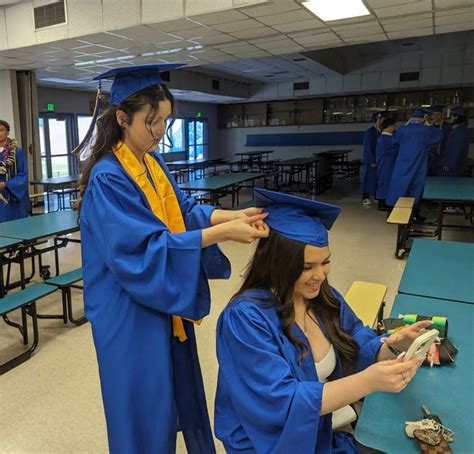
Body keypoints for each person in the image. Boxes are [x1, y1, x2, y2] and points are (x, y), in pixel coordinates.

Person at [76, 63, 270, 454]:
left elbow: (184, 210)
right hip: (127, 310)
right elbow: (145, 250)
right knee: (142, 406)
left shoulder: (151, 162)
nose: (160, 132)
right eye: (152, 122)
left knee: (173, 391)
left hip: (160, 301)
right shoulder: (109, 178)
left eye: (165, 121)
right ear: (122, 118)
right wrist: (221, 234)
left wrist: (232, 215)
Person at [215, 188, 432, 454]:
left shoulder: (323, 299)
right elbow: (281, 400)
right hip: (270, 443)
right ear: (277, 263)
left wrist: (391, 347)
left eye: (325, 262)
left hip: (321, 429)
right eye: (307, 267)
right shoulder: (246, 320)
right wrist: (367, 382)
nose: (320, 275)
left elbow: (356, 339)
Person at [385, 108, 442, 220]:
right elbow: (438, 137)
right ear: (424, 118)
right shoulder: (426, 130)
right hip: (418, 165)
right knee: (415, 190)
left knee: (398, 187)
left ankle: (392, 212)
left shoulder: (403, 130)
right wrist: (429, 125)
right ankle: (414, 215)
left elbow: (393, 141)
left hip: (402, 165)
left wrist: (406, 125)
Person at [0, 120, 29, 222]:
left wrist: (6, 184)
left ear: (7, 132)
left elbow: (23, 175)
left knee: (13, 226)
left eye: (1, 130)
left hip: (12, 195)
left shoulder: (16, 152)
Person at [361, 112, 385, 207]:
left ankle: (376, 195)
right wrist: (372, 160)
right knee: (368, 179)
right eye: (382, 120)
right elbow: (368, 147)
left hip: (379, 160)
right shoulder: (370, 132)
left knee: (377, 179)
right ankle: (365, 196)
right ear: (378, 120)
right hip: (370, 161)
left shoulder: (381, 132)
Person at [438, 106, 469, 176]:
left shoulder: (458, 132)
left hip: (452, 167)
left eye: (451, 116)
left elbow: (455, 149)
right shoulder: (462, 129)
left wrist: (448, 163)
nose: (450, 119)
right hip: (457, 164)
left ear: (456, 117)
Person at [375, 118, 398, 211]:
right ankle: (382, 203)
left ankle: (384, 201)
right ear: (389, 126)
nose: (395, 128)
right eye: (394, 126)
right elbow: (394, 149)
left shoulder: (386, 137)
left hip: (387, 164)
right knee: (384, 183)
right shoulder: (385, 139)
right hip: (386, 164)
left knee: (386, 182)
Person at [427, 106, 451, 176]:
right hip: (429, 159)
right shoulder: (428, 127)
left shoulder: (447, 127)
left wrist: (447, 161)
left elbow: (450, 145)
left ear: (442, 115)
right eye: (433, 114)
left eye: (438, 114)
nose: (435, 117)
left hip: (441, 159)